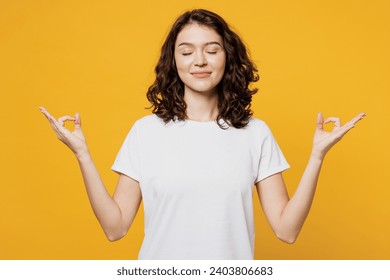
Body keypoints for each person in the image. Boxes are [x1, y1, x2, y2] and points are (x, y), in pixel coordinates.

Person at [39, 9, 365, 260]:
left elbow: (287, 230)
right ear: (174, 61)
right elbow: (115, 227)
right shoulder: (146, 133)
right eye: (187, 51)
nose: (200, 61)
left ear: (227, 57)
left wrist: (317, 156)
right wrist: (82, 154)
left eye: (212, 49)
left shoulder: (255, 134)